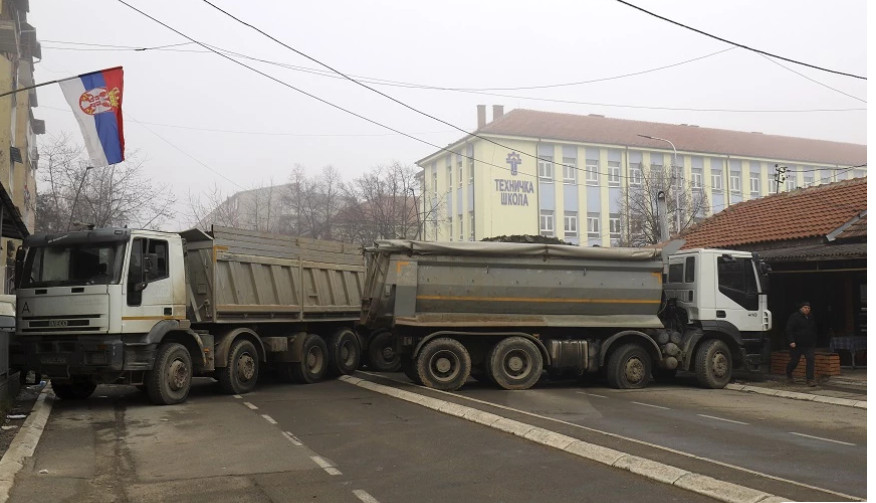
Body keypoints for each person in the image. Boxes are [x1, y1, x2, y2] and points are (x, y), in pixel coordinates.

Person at [785, 301, 818, 386]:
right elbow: (789, 330)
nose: (807, 309)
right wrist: (791, 341)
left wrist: (813, 340)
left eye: (808, 308)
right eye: (805, 308)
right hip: (797, 344)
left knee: (810, 359)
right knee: (795, 361)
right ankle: (789, 373)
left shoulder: (810, 317)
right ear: (801, 308)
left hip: (808, 344)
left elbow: (813, 329)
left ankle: (810, 379)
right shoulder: (794, 317)